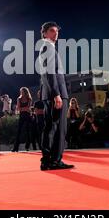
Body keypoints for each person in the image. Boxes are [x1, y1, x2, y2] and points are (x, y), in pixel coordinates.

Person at [38, 21, 74, 170]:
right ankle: (55, 161)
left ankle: (47, 160)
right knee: (58, 129)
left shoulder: (46, 48)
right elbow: (50, 74)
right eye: (52, 31)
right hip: (56, 94)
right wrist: (57, 94)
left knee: (50, 127)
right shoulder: (48, 48)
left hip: (50, 94)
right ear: (45, 33)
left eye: (57, 31)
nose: (56, 33)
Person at [12, 87, 35, 151]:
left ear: (25, 92)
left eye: (22, 91)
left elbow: (28, 108)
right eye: (21, 91)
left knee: (28, 131)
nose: (21, 93)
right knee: (19, 131)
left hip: (28, 116)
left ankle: (27, 147)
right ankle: (15, 148)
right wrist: (24, 109)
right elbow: (18, 108)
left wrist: (23, 109)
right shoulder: (19, 99)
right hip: (22, 116)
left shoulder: (29, 99)